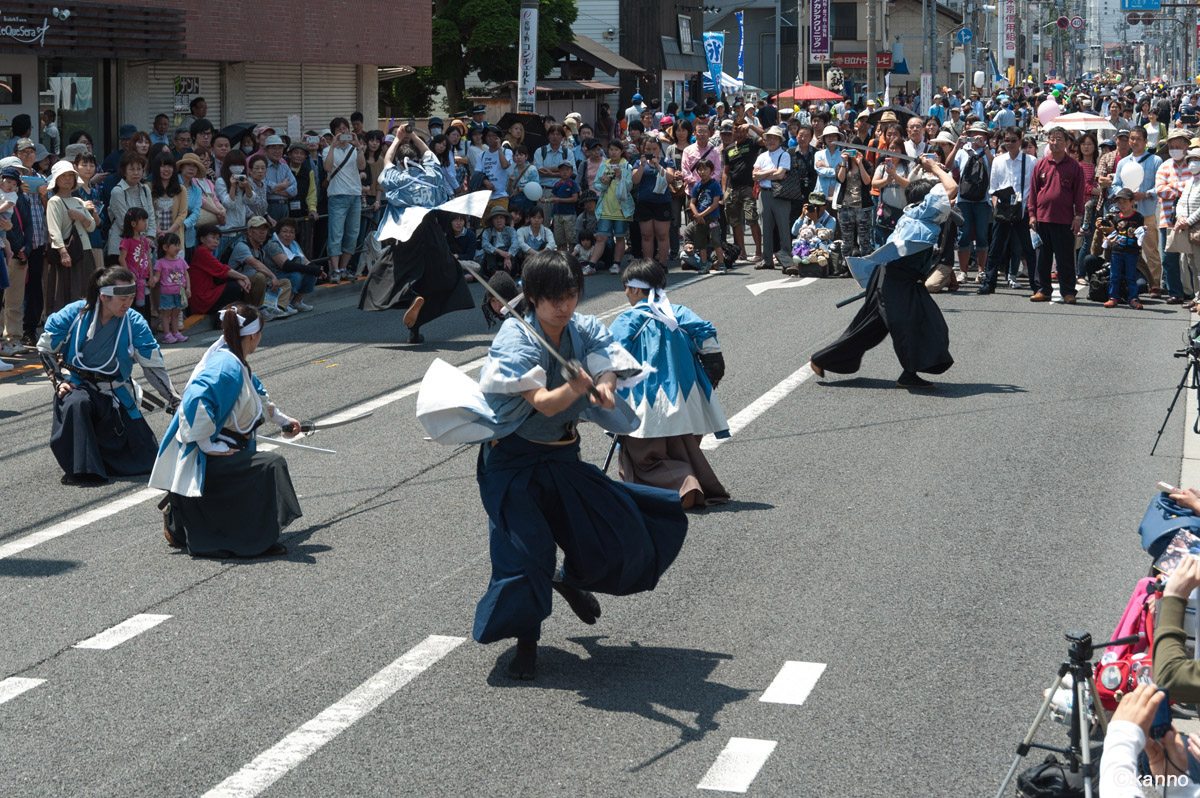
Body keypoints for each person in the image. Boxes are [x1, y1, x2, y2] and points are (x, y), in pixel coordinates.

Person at [414, 250, 687, 681]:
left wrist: (604, 389)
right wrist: (575, 387)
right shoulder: (516, 338)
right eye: (554, 297)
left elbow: (607, 363)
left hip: (563, 454)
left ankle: (569, 579)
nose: (564, 305)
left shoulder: (582, 328)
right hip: (512, 462)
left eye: (572, 294)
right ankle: (528, 642)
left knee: (615, 530)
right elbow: (541, 403)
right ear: (533, 296)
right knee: (527, 555)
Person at [149, 303, 302, 558]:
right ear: (253, 335)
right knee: (271, 464)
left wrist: (285, 422)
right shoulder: (225, 366)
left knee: (258, 466)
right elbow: (195, 400)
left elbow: (259, 398)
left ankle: (185, 522)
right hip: (209, 456)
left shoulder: (235, 361)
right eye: (260, 334)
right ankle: (254, 537)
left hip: (230, 448)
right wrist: (209, 445)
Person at [809, 154, 958, 389]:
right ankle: (908, 374)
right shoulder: (924, 213)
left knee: (871, 329)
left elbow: (918, 189)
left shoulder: (915, 211)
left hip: (896, 279)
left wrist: (926, 169)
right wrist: (933, 168)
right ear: (928, 200)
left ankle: (824, 359)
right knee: (916, 326)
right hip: (895, 281)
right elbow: (952, 188)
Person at [37, 265, 180, 484]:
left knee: (148, 460)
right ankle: (84, 470)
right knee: (76, 402)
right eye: (122, 298)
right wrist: (57, 381)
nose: (128, 304)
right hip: (77, 384)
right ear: (103, 297)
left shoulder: (134, 322)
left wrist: (173, 398)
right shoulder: (74, 313)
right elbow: (46, 348)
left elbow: (153, 366)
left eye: (131, 297)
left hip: (113, 389)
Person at [609, 259, 728, 508]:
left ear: (634, 289)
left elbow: (612, 359)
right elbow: (709, 343)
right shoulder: (680, 314)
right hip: (688, 399)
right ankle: (693, 484)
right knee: (683, 450)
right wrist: (709, 379)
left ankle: (685, 486)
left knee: (643, 459)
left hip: (647, 402)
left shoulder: (629, 319)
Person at [358, 128, 475, 344]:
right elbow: (430, 154)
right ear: (417, 159)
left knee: (388, 275)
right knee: (434, 277)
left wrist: (398, 139)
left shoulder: (399, 176)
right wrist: (414, 138)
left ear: (402, 162)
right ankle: (414, 330)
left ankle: (411, 298)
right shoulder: (431, 174)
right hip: (433, 232)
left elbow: (387, 163)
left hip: (407, 232)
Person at [1027, 125, 1085, 303]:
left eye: (1059, 139)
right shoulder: (1041, 164)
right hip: (1043, 218)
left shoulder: (1074, 166)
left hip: (1065, 220)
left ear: (1067, 142)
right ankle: (1043, 290)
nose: (1055, 142)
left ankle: (1068, 291)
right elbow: (1034, 191)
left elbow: (1079, 194)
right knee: (1042, 258)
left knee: (1065, 258)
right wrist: (1032, 214)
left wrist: (1078, 217)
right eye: (1052, 138)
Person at [982, 127, 1036, 293]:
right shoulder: (998, 161)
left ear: (1020, 140)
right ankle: (989, 283)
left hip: (1023, 209)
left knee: (1028, 248)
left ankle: (1036, 284)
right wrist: (997, 206)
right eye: (1007, 140)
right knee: (996, 248)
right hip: (1003, 209)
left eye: (1013, 140)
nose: (1010, 143)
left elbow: (1034, 189)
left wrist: (1030, 211)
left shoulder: (1031, 161)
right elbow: (993, 188)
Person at [44, 159, 97, 316]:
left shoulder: (78, 200)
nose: (67, 178)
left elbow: (92, 226)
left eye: (70, 175)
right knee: (66, 294)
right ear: (56, 180)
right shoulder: (54, 201)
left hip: (85, 251)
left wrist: (81, 216)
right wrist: (63, 252)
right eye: (63, 175)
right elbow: (54, 230)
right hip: (68, 253)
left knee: (85, 292)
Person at [323, 117, 367, 283]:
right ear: (334, 132)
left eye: (345, 128)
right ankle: (334, 270)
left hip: (355, 195)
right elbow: (327, 168)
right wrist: (333, 145)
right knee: (336, 233)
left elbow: (362, 166)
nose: (343, 132)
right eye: (339, 129)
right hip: (337, 195)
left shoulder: (354, 149)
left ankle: (343, 268)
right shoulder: (328, 150)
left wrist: (358, 147)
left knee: (352, 234)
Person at [188, 224, 264, 316]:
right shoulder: (202, 252)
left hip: (206, 295)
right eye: (213, 238)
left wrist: (239, 278)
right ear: (202, 239)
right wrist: (243, 277)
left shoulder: (205, 252)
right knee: (234, 287)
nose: (216, 241)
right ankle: (223, 317)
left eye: (218, 239)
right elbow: (223, 270)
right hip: (202, 299)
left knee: (235, 283)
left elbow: (221, 271)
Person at [1155, 129, 1194, 304]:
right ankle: (1175, 292)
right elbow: (1160, 190)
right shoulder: (1164, 166)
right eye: (1172, 146)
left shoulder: (1194, 165)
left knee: (1192, 258)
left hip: (1192, 219)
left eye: (1178, 146)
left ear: (1186, 147)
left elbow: (1195, 188)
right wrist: (1184, 188)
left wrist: (1174, 187)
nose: (1175, 149)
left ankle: (1194, 292)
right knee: (1169, 258)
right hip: (1168, 218)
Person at [588, 139, 633, 276]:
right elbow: (597, 185)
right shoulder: (604, 164)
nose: (613, 152)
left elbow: (630, 186)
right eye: (611, 150)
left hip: (621, 208)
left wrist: (621, 178)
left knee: (620, 237)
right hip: (606, 207)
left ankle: (616, 263)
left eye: (616, 150)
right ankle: (591, 265)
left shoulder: (626, 166)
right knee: (601, 237)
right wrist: (604, 183)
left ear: (621, 151)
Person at [631, 136, 677, 267]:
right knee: (646, 234)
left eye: (654, 149)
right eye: (648, 149)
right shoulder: (638, 162)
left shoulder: (667, 161)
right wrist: (642, 165)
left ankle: (662, 263)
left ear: (659, 149)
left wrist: (657, 164)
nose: (651, 151)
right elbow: (635, 180)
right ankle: (649, 264)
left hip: (662, 202)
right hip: (644, 201)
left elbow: (669, 178)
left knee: (662, 234)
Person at [753, 126, 792, 270]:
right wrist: (770, 171)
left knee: (783, 228)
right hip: (764, 192)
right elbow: (754, 176)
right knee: (766, 227)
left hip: (780, 193)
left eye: (774, 138)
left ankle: (787, 260)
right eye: (768, 138)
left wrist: (763, 174)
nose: (770, 141)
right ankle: (767, 259)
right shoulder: (762, 156)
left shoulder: (784, 155)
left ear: (780, 140)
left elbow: (780, 175)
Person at [722, 123, 763, 263]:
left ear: (746, 132)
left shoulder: (752, 142)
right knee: (735, 222)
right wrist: (724, 191)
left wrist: (751, 126)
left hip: (748, 188)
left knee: (752, 219)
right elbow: (725, 171)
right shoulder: (728, 149)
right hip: (733, 189)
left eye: (741, 131)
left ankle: (758, 251)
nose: (738, 134)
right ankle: (741, 252)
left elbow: (767, 137)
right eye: (736, 131)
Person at [1102, 188, 1146, 309]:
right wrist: (1109, 241)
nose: (1122, 205)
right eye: (1119, 203)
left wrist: (1143, 231)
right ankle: (1113, 297)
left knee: (1130, 276)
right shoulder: (1116, 218)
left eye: (1125, 202)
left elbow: (1140, 233)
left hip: (1132, 251)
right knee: (1114, 275)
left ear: (1132, 202)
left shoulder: (1138, 217)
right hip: (1117, 251)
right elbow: (1116, 233)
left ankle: (1133, 298)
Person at [686, 159, 725, 274]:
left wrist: (701, 214)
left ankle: (721, 264)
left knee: (716, 241)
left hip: (712, 218)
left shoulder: (715, 185)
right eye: (700, 169)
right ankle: (704, 265)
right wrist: (697, 215)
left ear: (711, 170)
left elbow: (715, 203)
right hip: (699, 219)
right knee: (700, 243)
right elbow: (692, 203)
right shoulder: (697, 186)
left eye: (705, 169)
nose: (702, 172)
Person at [155, 233, 192, 340]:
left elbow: (186, 274)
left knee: (176, 313)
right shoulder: (160, 262)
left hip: (179, 292)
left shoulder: (181, 260)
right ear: (165, 247)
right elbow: (157, 277)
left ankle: (175, 332)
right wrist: (152, 280)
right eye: (175, 245)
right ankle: (167, 334)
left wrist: (188, 288)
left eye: (178, 245)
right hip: (166, 293)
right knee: (166, 314)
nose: (178, 248)